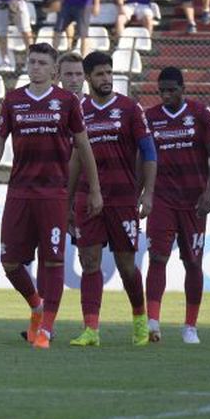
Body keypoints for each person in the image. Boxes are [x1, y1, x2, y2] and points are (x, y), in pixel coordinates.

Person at [0, 42, 100, 349]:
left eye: (42, 63)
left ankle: (45, 330)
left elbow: (83, 146)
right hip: (19, 192)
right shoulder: (14, 100)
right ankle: (36, 306)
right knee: (9, 262)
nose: (35, 67)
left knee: (53, 262)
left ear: (53, 70)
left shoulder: (66, 102)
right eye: (32, 62)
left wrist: (95, 188)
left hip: (53, 194)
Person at [66, 51, 156, 348]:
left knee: (126, 264)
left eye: (109, 73)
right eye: (100, 74)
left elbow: (149, 153)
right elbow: (75, 159)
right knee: (89, 262)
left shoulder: (130, 108)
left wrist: (148, 193)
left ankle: (140, 319)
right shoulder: (78, 111)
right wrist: (66, 203)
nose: (106, 79)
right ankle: (91, 330)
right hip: (86, 198)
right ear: (88, 78)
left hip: (121, 199)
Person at [144, 67, 210, 345]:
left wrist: (209, 193)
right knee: (157, 258)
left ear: (182, 88)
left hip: (193, 202)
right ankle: (152, 323)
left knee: (193, 262)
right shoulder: (150, 118)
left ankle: (190, 326)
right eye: (161, 90)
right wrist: (145, 193)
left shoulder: (201, 114)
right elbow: (141, 158)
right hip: (162, 199)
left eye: (171, 90)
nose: (165, 95)